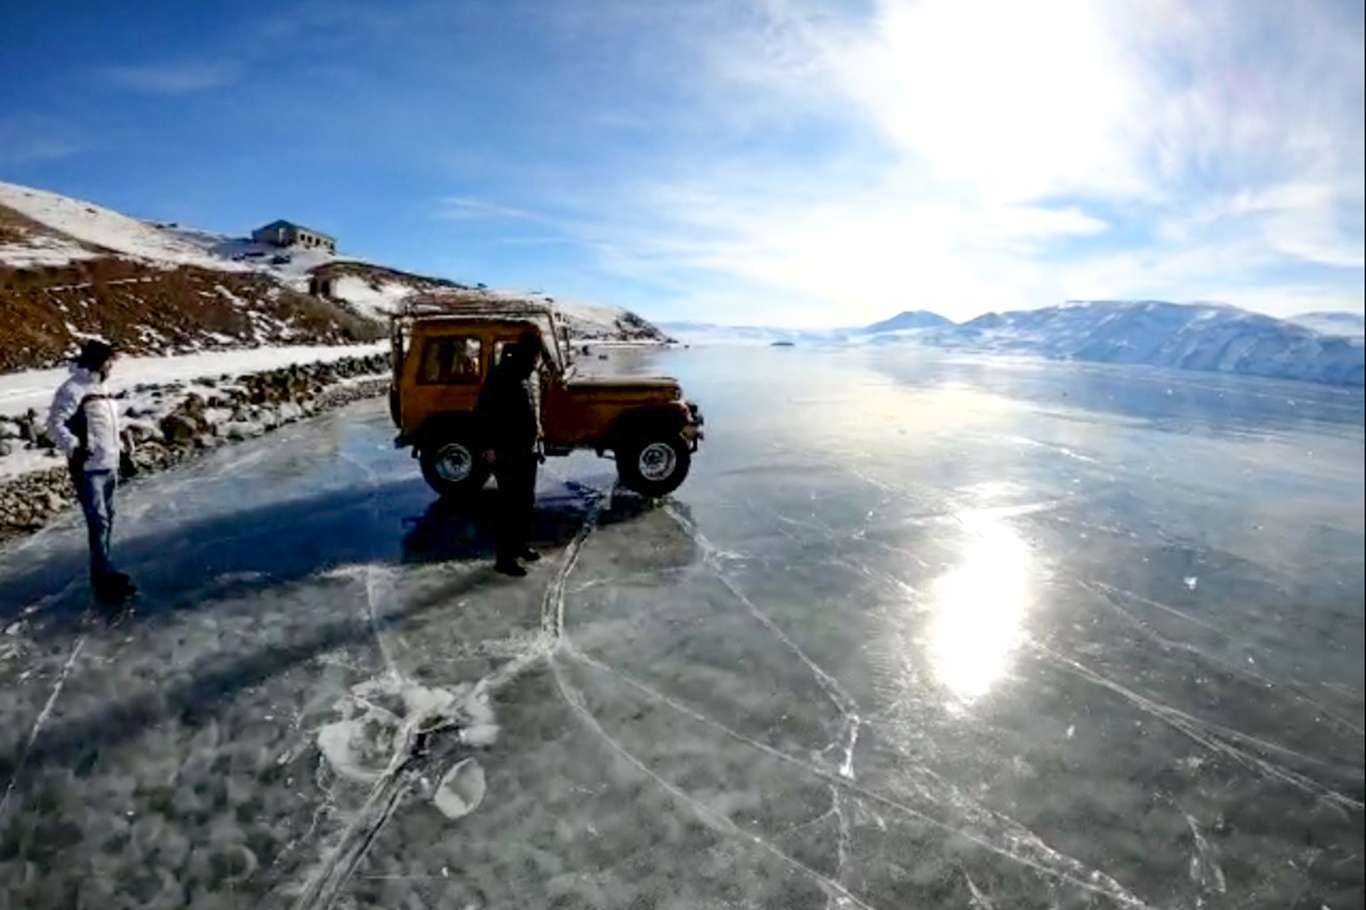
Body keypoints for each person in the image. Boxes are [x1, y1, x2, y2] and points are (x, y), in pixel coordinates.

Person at [47, 339, 136, 602]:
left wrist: (122, 451)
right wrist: (75, 447)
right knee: (98, 521)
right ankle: (103, 577)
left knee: (106, 518)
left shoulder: (102, 388)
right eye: (110, 360)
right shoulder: (73, 389)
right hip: (88, 468)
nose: (112, 366)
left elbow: (106, 425)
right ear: (98, 361)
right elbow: (54, 424)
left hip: (109, 464)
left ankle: (104, 570)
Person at [476, 331, 544, 577]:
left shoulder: (530, 374)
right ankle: (504, 559)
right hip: (507, 449)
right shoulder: (502, 374)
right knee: (509, 505)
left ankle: (520, 545)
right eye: (536, 353)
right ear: (528, 351)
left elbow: (533, 407)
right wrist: (488, 446)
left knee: (526, 501)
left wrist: (539, 433)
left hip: (528, 448)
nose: (538, 359)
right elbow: (483, 411)